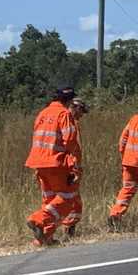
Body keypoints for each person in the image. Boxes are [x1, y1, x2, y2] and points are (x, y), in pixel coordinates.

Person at [25, 86, 80, 246]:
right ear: (69, 100)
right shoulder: (64, 114)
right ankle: (37, 220)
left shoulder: (42, 114)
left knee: (50, 200)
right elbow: (70, 140)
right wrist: (73, 165)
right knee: (67, 199)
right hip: (55, 162)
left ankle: (44, 238)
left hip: (38, 162)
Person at [60, 97, 90, 238]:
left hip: (65, 166)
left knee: (67, 199)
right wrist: (75, 167)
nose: (82, 115)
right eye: (81, 111)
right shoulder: (70, 122)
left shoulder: (64, 120)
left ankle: (66, 230)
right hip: (70, 166)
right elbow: (72, 147)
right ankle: (68, 231)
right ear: (76, 108)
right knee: (73, 201)